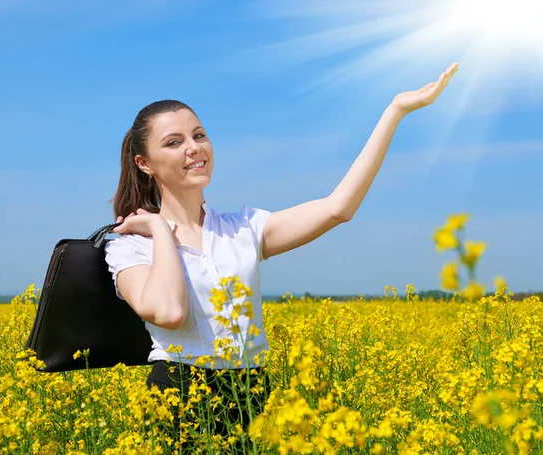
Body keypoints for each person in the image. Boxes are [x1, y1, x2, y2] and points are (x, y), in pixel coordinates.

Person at [103, 63, 459, 452]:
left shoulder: (244, 228)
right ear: (144, 163)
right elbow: (168, 313)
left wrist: (394, 111)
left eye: (199, 135)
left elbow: (338, 208)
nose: (194, 148)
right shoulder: (129, 244)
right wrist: (159, 230)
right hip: (176, 397)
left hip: (251, 396)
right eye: (173, 142)